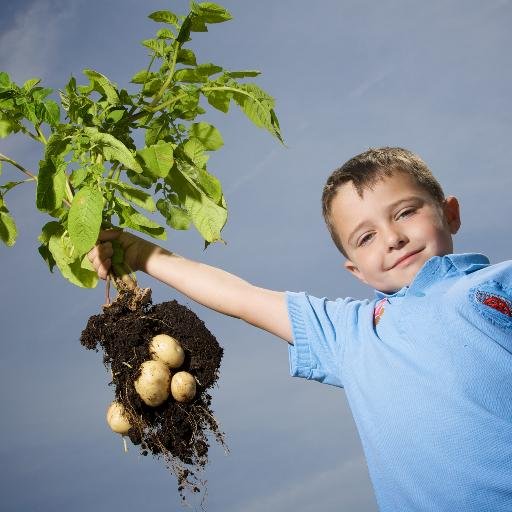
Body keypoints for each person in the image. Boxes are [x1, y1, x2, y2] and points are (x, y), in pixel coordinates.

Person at [88, 147, 512, 512]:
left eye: (404, 212)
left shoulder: (494, 285)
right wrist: (140, 252)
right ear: (355, 271)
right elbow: (242, 297)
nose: (392, 238)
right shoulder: (352, 333)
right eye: (365, 238)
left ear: (450, 213)